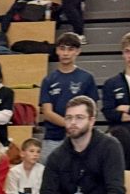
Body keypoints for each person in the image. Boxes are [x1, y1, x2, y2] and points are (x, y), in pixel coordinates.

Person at [39, 32, 99, 161]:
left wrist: (74, 126)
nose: (66, 53)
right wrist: (69, 124)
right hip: (52, 138)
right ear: (56, 51)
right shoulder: (48, 80)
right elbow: (47, 112)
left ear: (78, 51)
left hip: (80, 138)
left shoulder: (87, 78)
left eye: (70, 49)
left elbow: (92, 111)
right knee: (50, 177)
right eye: (62, 48)